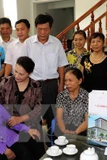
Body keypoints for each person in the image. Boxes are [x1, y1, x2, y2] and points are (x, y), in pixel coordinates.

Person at [20, 13, 68, 143]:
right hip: (33, 85)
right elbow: (23, 66)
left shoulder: (56, 43)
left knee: (52, 116)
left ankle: (54, 145)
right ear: (36, 28)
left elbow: (61, 66)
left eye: (45, 29)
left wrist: (61, 85)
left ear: (50, 28)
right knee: (33, 117)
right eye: (40, 29)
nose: (42, 32)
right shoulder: (28, 43)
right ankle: (36, 146)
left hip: (51, 85)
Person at [0, 56, 45, 159]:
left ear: (29, 73)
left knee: (38, 152)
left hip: (30, 123)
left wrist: (21, 118)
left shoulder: (36, 86)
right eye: (16, 71)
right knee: (20, 153)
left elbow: (39, 108)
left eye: (21, 74)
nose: (17, 76)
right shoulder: (5, 82)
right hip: (8, 124)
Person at [56, 68, 88, 136]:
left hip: (81, 130)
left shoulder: (86, 96)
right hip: (64, 129)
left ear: (79, 81)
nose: (67, 83)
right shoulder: (61, 96)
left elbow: (87, 120)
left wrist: (75, 132)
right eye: (65, 80)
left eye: (70, 80)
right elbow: (59, 118)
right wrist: (65, 131)